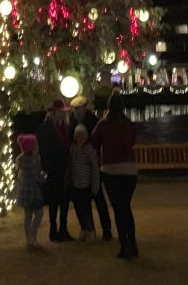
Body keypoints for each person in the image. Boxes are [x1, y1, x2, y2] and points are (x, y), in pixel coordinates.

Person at [91, 90, 138, 259]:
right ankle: (132, 243)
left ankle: (124, 246)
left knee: (118, 209)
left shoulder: (104, 124)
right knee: (126, 207)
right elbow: (133, 141)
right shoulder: (128, 123)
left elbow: (94, 139)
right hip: (129, 170)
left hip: (111, 169)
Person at [70, 95, 113, 239]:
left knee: (98, 198)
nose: (77, 111)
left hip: (92, 162)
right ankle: (89, 228)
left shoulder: (92, 121)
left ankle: (105, 229)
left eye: (79, 108)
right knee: (84, 201)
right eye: (76, 109)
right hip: (81, 166)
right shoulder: (73, 121)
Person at [36, 98, 72, 241]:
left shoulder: (63, 127)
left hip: (63, 168)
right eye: (61, 112)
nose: (63, 114)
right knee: (54, 200)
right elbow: (44, 149)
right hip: (53, 169)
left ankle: (63, 228)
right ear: (54, 112)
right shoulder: (46, 128)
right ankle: (54, 229)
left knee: (64, 200)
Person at [66, 123, 100, 240]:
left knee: (86, 208)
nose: (80, 138)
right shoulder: (73, 149)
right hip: (75, 184)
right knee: (78, 208)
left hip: (86, 185)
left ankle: (90, 229)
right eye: (78, 136)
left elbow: (95, 169)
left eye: (83, 136)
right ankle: (84, 228)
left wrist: (95, 186)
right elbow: (70, 166)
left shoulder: (89, 150)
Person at [16, 134, 46, 250]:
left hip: (24, 193)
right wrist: (45, 178)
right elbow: (37, 178)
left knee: (27, 216)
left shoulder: (21, 159)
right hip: (33, 193)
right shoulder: (33, 161)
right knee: (39, 214)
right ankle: (32, 236)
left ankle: (28, 239)